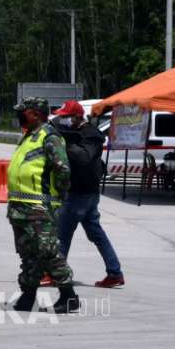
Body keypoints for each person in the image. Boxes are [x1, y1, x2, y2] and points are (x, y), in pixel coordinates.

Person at [7, 97, 80, 313]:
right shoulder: (28, 136)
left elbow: (63, 170)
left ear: (35, 114)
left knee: (48, 252)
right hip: (20, 206)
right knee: (28, 254)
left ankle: (69, 296)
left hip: (39, 206)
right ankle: (28, 295)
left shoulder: (50, 137)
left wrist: (59, 196)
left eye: (24, 111)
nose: (20, 114)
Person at [52, 100, 124, 288]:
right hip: (84, 192)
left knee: (62, 233)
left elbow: (83, 157)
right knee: (96, 234)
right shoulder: (79, 132)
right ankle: (114, 272)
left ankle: (56, 274)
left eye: (66, 117)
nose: (63, 120)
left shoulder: (92, 135)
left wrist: (64, 142)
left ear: (76, 117)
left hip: (81, 193)